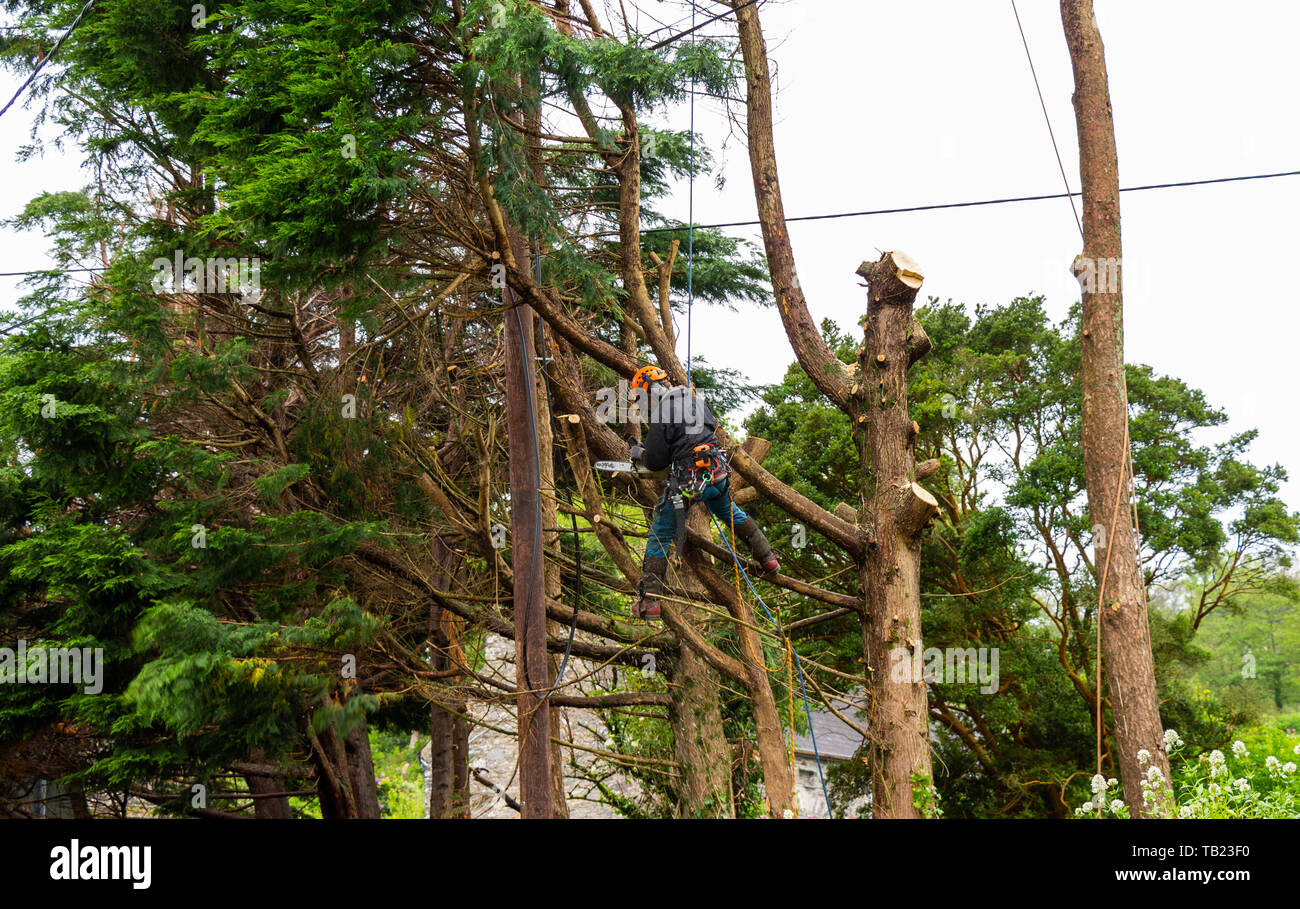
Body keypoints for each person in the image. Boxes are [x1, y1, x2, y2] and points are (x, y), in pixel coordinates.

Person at [627, 365, 779, 621]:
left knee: (661, 532)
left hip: (689, 484)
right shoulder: (697, 401)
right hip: (717, 475)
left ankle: (650, 601)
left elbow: (654, 462)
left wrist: (639, 453)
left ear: (650, 391)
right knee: (730, 512)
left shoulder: (662, 412)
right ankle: (768, 558)